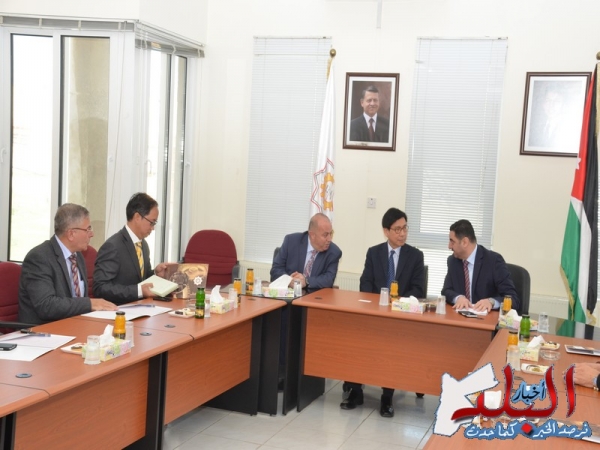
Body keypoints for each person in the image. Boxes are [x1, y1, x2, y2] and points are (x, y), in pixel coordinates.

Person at [342, 208, 425, 418]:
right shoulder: (374, 253)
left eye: (405, 228)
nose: (402, 233)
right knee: (355, 339)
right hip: (375, 314)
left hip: (400, 317)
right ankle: (356, 391)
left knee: (391, 345)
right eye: (397, 229)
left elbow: (419, 289)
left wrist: (397, 303)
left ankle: (387, 396)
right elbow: (365, 283)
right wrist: (378, 304)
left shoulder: (415, 256)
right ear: (386, 231)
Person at [18, 204, 118, 325]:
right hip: (43, 329)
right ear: (71, 234)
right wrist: (90, 304)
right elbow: (46, 306)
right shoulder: (39, 258)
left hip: (75, 324)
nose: (91, 234)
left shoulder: (77, 256)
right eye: (88, 229)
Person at [94, 193, 168, 304]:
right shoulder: (113, 246)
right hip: (118, 309)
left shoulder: (143, 245)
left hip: (140, 307)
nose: (153, 228)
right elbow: (100, 288)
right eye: (152, 222)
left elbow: (142, 279)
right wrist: (138, 291)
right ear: (137, 217)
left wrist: (156, 274)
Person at [442, 219, 519, 313]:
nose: (449, 246)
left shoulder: (494, 261)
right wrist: (458, 298)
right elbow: (446, 291)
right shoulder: (453, 261)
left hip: (487, 319)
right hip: (460, 318)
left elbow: (512, 298)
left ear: (465, 242)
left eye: (452, 242)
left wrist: (491, 302)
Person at [270, 213, 342, 292]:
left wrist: (306, 281)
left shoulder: (334, 252)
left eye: (330, 233)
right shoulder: (291, 241)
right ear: (312, 235)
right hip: (288, 295)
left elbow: (329, 279)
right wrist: (289, 280)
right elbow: (275, 269)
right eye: (325, 235)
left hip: (314, 297)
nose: (329, 239)